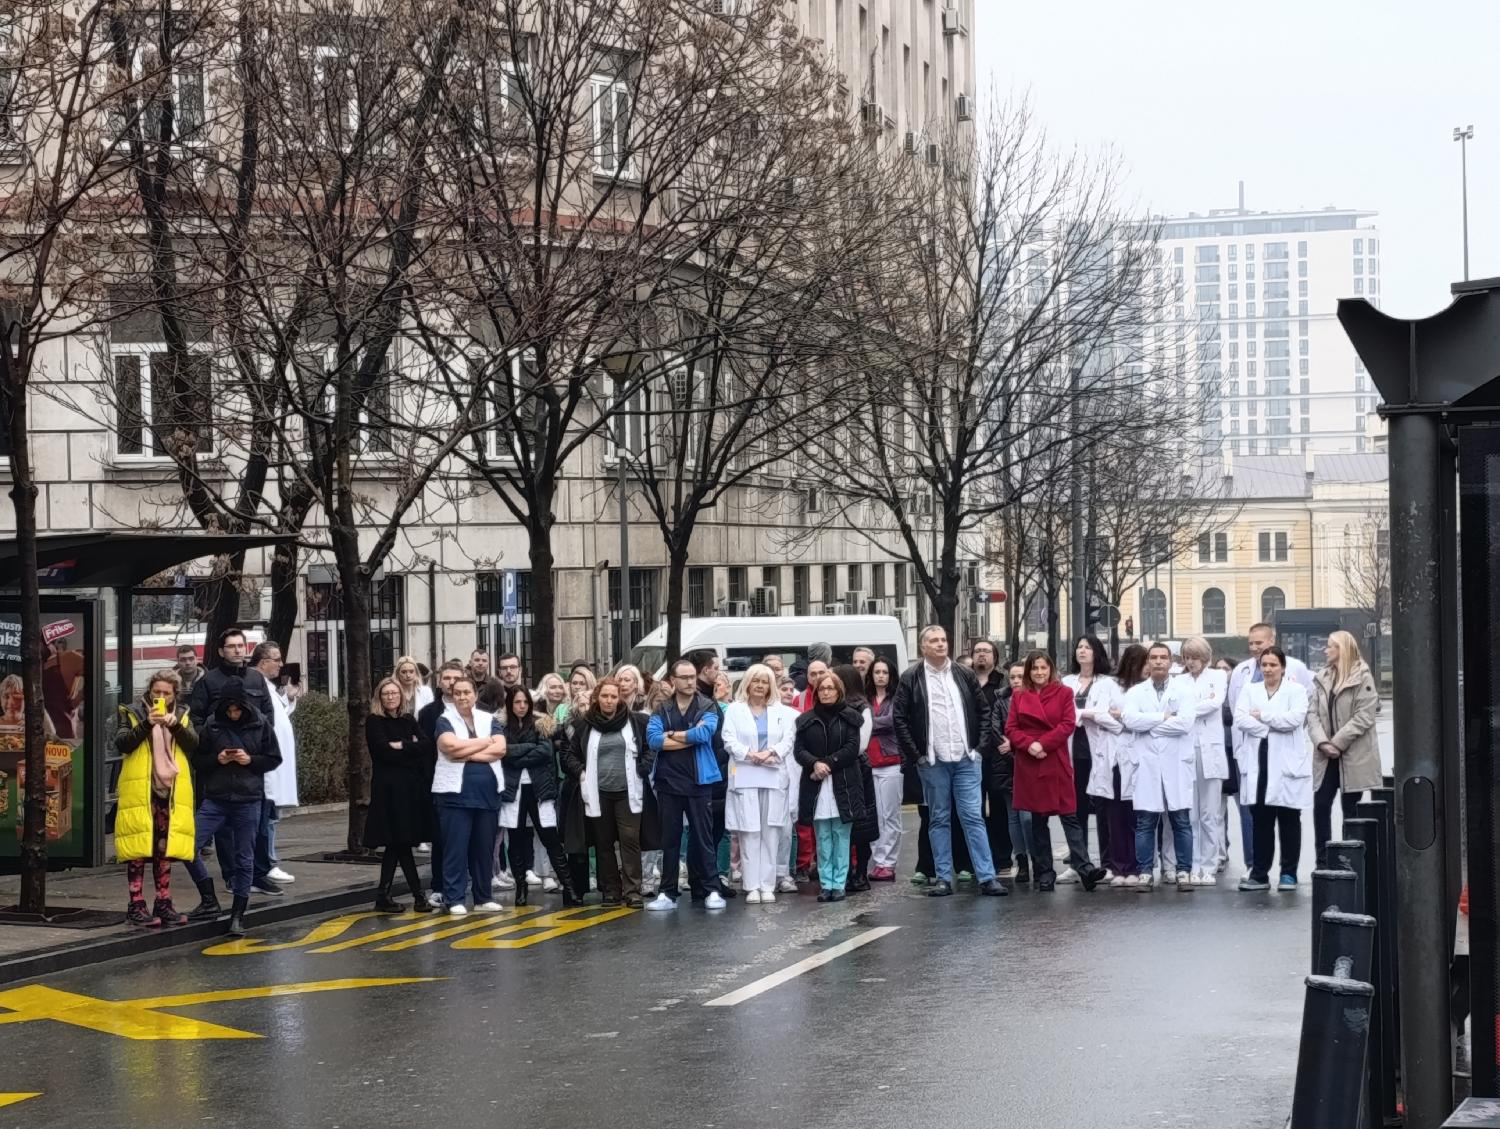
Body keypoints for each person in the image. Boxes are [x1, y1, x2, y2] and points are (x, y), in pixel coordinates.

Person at [892, 626, 1006, 898]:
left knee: (973, 817)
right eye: (934, 641)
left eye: (944, 639)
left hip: (967, 758)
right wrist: (917, 755)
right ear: (923, 647)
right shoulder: (911, 677)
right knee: (939, 817)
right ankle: (943, 877)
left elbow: (983, 710)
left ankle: (987, 877)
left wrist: (978, 748)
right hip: (933, 760)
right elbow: (900, 719)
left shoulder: (963, 673)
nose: (941, 644)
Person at [1007, 650, 1107, 893]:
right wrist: (1029, 744)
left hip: (1054, 759)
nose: (1040, 672)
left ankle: (1084, 868)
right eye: (1035, 668)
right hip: (1030, 762)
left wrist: (1043, 744)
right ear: (1029, 672)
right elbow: (1011, 727)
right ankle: (1044, 872)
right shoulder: (1019, 697)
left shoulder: (1064, 693)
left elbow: (1067, 724)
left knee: (1069, 815)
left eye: (1043, 668)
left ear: (1050, 669)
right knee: (1038, 820)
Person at [192, 678, 282, 936]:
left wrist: (250, 760)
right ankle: (208, 897)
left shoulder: (259, 723)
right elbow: (198, 759)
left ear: (244, 706)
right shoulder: (213, 723)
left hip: (248, 799)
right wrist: (217, 759)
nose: (233, 713)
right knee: (187, 847)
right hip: (216, 798)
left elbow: (274, 758)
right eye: (229, 709)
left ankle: (237, 916)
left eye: (237, 709)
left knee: (245, 860)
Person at [560, 677, 655, 908]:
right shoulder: (585, 725)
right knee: (603, 844)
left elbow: (648, 748)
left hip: (627, 792)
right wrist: (581, 772)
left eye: (614, 696)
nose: (609, 700)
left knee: (629, 840)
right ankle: (611, 891)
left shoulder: (634, 722)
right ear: (597, 698)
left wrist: (644, 768)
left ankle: (633, 891)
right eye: (605, 696)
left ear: (619, 698)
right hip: (598, 792)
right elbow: (569, 755)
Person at [114, 670, 197, 927]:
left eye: (166, 693)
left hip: (170, 791)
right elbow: (122, 743)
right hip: (140, 789)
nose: (160, 696)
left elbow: (193, 744)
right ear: (149, 690)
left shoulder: (182, 715)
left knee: (165, 849)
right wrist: (147, 723)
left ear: (175, 695)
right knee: (137, 848)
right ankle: (136, 904)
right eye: (156, 692)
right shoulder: (131, 711)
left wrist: (173, 724)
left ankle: (164, 902)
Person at [645, 659, 725, 911]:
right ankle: (667, 893)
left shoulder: (707, 705)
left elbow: (705, 734)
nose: (690, 681)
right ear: (673, 680)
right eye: (684, 677)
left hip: (699, 782)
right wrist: (687, 737)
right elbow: (654, 740)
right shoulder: (663, 709)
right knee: (670, 839)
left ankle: (712, 889)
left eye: (692, 676)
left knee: (703, 837)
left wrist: (673, 735)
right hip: (668, 782)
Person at [1234, 646, 1313, 891]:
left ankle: (1288, 873)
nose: (1268, 669)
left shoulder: (1296, 690)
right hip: (1259, 760)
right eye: (1264, 665)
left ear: (1282, 667)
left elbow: (1295, 720)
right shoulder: (1250, 690)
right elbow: (1240, 719)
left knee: (1289, 819)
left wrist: (1263, 716)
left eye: (1273, 665)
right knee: (1261, 820)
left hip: (1286, 763)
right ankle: (1260, 873)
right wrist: (1269, 726)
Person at [1120, 643, 1197, 892]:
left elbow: (1185, 724)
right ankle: (1145, 872)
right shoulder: (1135, 693)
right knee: (1146, 821)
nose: (1158, 662)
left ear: (1171, 661)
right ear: (1148, 662)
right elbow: (1130, 720)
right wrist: (1163, 717)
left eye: (1163, 657)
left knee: (1180, 820)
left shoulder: (1184, 690)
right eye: (1154, 658)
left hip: (1176, 762)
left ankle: (1184, 870)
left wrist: (1149, 724)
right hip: (1147, 764)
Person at [432, 675, 507, 915]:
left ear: (475, 694)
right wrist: (484, 743)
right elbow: (449, 747)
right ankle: (454, 899)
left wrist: (468, 751)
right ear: (452, 697)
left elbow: (501, 748)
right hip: (455, 796)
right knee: (456, 849)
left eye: (467, 692)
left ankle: (483, 897)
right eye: (458, 693)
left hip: (487, 795)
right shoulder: (444, 720)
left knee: (484, 849)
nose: (463, 697)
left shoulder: (488, 719)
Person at [498, 683, 579, 907]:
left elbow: (545, 752)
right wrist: (526, 749)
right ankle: (520, 888)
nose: (522, 706)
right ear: (510, 704)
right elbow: (503, 752)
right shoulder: (502, 727)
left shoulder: (542, 724)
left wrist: (516, 753)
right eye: (517, 702)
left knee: (549, 838)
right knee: (515, 839)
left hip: (539, 788)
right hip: (513, 789)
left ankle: (569, 887)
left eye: (525, 702)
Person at [722, 664, 796, 902]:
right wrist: (749, 753)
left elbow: (788, 739)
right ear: (748, 683)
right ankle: (751, 885)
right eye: (756, 681)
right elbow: (728, 738)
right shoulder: (735, 710)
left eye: (764, 682)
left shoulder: (780, 712)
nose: (760, 686)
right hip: (746, 773)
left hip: (772, 772)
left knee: (771, 831)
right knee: (749, 830)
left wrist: (771, 751)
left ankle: (767, 884)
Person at [1309, 630, 1381, 868]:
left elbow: (1364, 716)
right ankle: (1323, 860)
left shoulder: (1362, 676)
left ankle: (1351, 860)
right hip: (1326, 755)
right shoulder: (1322, 677)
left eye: (1330, 646)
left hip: (1352, 755)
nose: (1325, 650)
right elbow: (1312, 714)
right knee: (1321, 805)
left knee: (1351, 808)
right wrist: (1323, 743)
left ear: (1342, 650)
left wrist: (1337, 743)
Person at [794, 671, 866, 903]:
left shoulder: (850, 717)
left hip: (843, 783)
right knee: (822, 835)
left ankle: (839, 882)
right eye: (822, 688)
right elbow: (799, 750)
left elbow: (852, 747)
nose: (825, 692)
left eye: (830, 688)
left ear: (839, 691)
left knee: (841, 834)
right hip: (816, 784)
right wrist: (814, 763)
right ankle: (826, 883)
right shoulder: (806, 719)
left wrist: (828, 763)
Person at [364, 677, 431, 912]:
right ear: (379, 698)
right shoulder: (374, 721)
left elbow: (425, 746)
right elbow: (383, 751)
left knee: (399, 843)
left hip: (410, 788)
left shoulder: (408, 719)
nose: (391, 697)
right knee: (400, 842)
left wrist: (401, 745)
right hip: (388, 789)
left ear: (401, 696)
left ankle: (385, 895)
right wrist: (409, 746)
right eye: (386, 694)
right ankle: (418, 896)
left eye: (394, 693)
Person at [1063, 635, 1124, 885]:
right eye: (1079, 647)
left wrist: (1086, 713)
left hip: (1099, 751)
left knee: (1103, 808)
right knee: (1074, 809)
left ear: (1097, 652)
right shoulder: (1067, 682)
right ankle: (1080, 863)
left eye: (1087, 647)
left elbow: (1116, 718)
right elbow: (1061, 713)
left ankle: (1108, 863)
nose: (1082, 651)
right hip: (1072, 752)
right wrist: (1093, 713)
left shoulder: (1109, 684)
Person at [1179, 637, 1229, 886]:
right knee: (1191, 814)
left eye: (1195, 657)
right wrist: (1186, 709)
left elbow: (1214, 703)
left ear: (1205, 657)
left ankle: (1210, 865)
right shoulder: (1179, 680)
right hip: (1187, 749)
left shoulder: (1218, 677)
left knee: (1210, 813)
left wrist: (1186, 709)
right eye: (1187, 657)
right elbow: (1174, 707)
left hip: (1210, 750)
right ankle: (1193, 864)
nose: (1191, 662)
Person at [417, 661, 466, 907]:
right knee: (441, 837)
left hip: (469, 780)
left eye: (456, 678)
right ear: (440, 680)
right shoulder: (428, 713)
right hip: (439, 782)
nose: (451, 682)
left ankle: (468, 884)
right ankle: (438, 886)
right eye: (447, 677)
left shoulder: (477, 709)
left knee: (468, 837)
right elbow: (424, 750)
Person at [251, 642, 298, 890]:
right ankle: (268, 862)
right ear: (262, 662)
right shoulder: (256, 685)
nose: (281, 664)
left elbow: (277, 718)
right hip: (267, 763)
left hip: (275, 761)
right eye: (276, 659)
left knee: (272, 814)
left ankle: (268, 860)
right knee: (267, 815)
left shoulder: (268, 687)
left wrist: (288, 699)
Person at [831, 663, 878, 893]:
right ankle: (845, 870)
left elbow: (861, 744)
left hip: (856, 769)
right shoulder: (833, 707)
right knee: (841, 823)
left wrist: (836, 755)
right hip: (838, 768)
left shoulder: (862, 707)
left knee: (862, 825)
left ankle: (861, 872)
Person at [188, 628, 275, 728]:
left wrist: (263, 740)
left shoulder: (257, 678)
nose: (237, 650)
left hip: (254, 742)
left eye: (240, 646)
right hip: (220, 742)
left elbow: (268, 715)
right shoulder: (208, 681)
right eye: (231, 646)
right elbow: (196, 719)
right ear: (221, 652)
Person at [865, 656, 903, 881]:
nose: (881, 676)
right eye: (877, 672)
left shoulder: (897, 697)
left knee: (891, 815)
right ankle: (878, 861)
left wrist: (869, 723)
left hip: (891, 762)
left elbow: (892, 721)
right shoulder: (865, 697)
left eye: (885, 672)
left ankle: (889, 862)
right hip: (868, 763)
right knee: (875, 815)